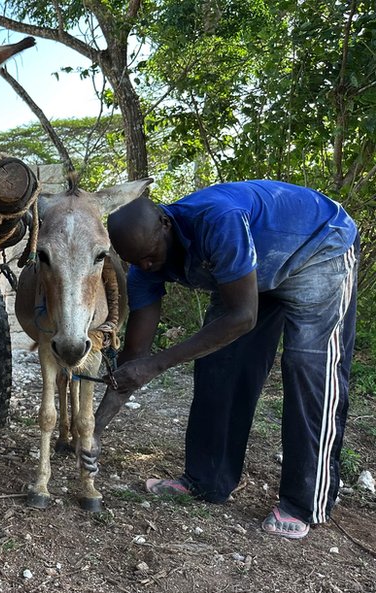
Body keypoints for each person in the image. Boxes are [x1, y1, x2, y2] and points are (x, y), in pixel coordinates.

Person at [97, 180, 358, 539]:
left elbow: (242, 317)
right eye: (135, 261)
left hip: (317, 251)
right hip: (248, 275)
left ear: (165, 223)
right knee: (219, 366)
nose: (145, 263)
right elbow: (135, 355)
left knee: (308, 368)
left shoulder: (218, 219)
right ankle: (207, 480)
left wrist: (157, 365)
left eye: (150, 254)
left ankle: (304, 502)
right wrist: (93, 431)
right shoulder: (143, 266)